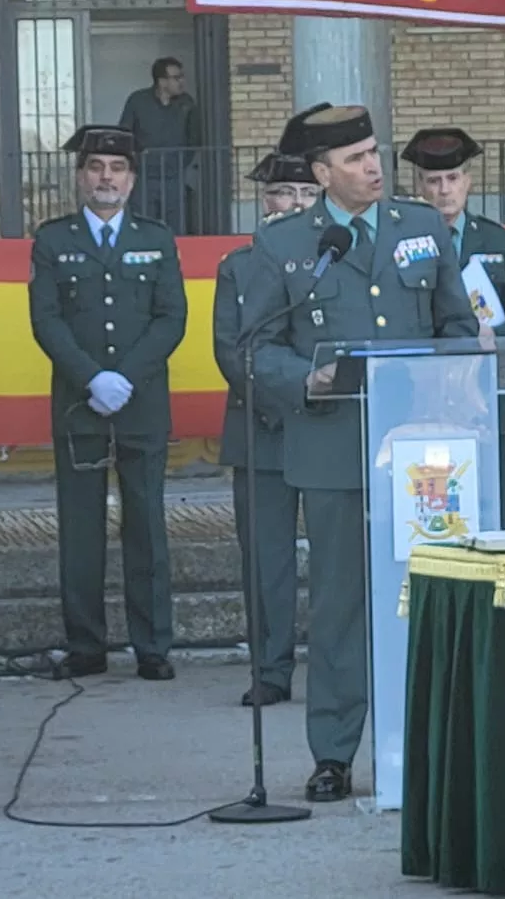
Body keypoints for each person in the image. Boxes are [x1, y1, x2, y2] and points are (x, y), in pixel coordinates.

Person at [245, 103, 478, 802]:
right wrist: (304, 379)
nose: (374, 167)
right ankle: (335, 754)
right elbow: (254, 348)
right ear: (320, 173)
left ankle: (433, 745)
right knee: (341, 606)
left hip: (421, 460)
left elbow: (457, 325)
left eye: (375, 153)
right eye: (355, 159)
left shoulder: (419, 227)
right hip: (333, 451)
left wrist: (458, 377)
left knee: (428, 599)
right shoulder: (284, 245)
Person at [28, 124, 188, 682]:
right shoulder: (53, 240)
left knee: (146, 525)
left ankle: (153, 646)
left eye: (117, 169)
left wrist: (126, 376)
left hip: (141, 404)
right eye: (96, 168)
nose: (106, 178)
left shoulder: (157, 237)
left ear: (132, 179)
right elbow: (46, 319)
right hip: (80, 405)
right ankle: (86, 646)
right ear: (80, 176)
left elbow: (172, 317)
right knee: (80, 527)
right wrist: (93, 377)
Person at [211, 130, 322, 708]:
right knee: (267, 562)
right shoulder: (239, 266)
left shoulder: (336, 256)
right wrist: (291, 396)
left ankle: (333, 669)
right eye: (283, 192)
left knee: (335, 561)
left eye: (306, 191)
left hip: (327, 428)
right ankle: (271, 670)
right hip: (260, 429)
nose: (296, 203)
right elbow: (233, 351)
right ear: (265, 202)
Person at [400, 127, 505, 528]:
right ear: (420, 187)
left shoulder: (496, 240)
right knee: (429, 511)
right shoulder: (403, 243)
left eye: (452, 178)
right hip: (423, 397)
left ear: (468, 182)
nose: (444, 190)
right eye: (433, 181)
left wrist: (493, 337)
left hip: (483, 397)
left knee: (492, 506)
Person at [119, 57, 199, 234]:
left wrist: (181, 162)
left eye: (182, 77)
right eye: (176, 77)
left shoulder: (186, 103)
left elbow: (194, 138)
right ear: (162, 81)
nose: (182, 81)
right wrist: (136, 161)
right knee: (142, 225)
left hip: (174, 176)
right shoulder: (138, 101)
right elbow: (124, 133)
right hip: (144, 176)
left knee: (177, 227)